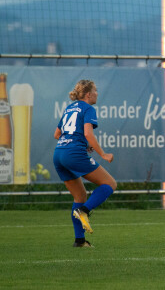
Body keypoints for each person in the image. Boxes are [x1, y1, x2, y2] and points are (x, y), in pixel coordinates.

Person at [53, 80, 116, 247]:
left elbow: (57, 134)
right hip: (73, 154)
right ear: (88, 94)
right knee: (110, 183)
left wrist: (73, 143)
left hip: (58, 154)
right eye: (95, 91)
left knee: (79, 196)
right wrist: (103, 154)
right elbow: (88, 133)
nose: (97, 93)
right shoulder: (88, 108)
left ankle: (79, 241)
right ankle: (84, 211)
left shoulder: (69, 108)